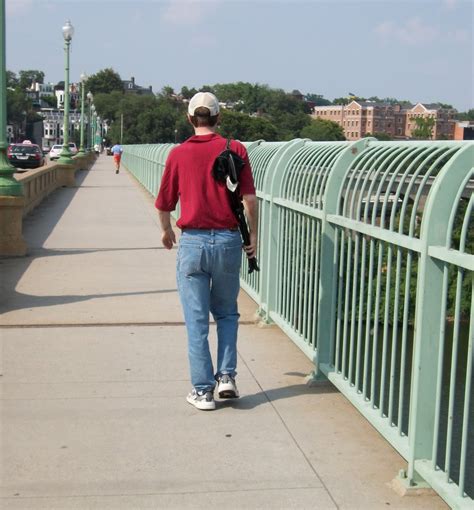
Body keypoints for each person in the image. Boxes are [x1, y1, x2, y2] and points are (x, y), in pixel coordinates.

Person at [155, 92, 258, 411]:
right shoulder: (235, 148)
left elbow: (164, 203)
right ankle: (226, 377)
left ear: (190, 119)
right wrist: (252, 236)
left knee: (197, 320)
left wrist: (167, 229)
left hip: (193, 243)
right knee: (227, 312)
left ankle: (202, 392)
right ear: (218, 118)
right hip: (227, 241)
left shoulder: (178, 154)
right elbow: (250, 200)